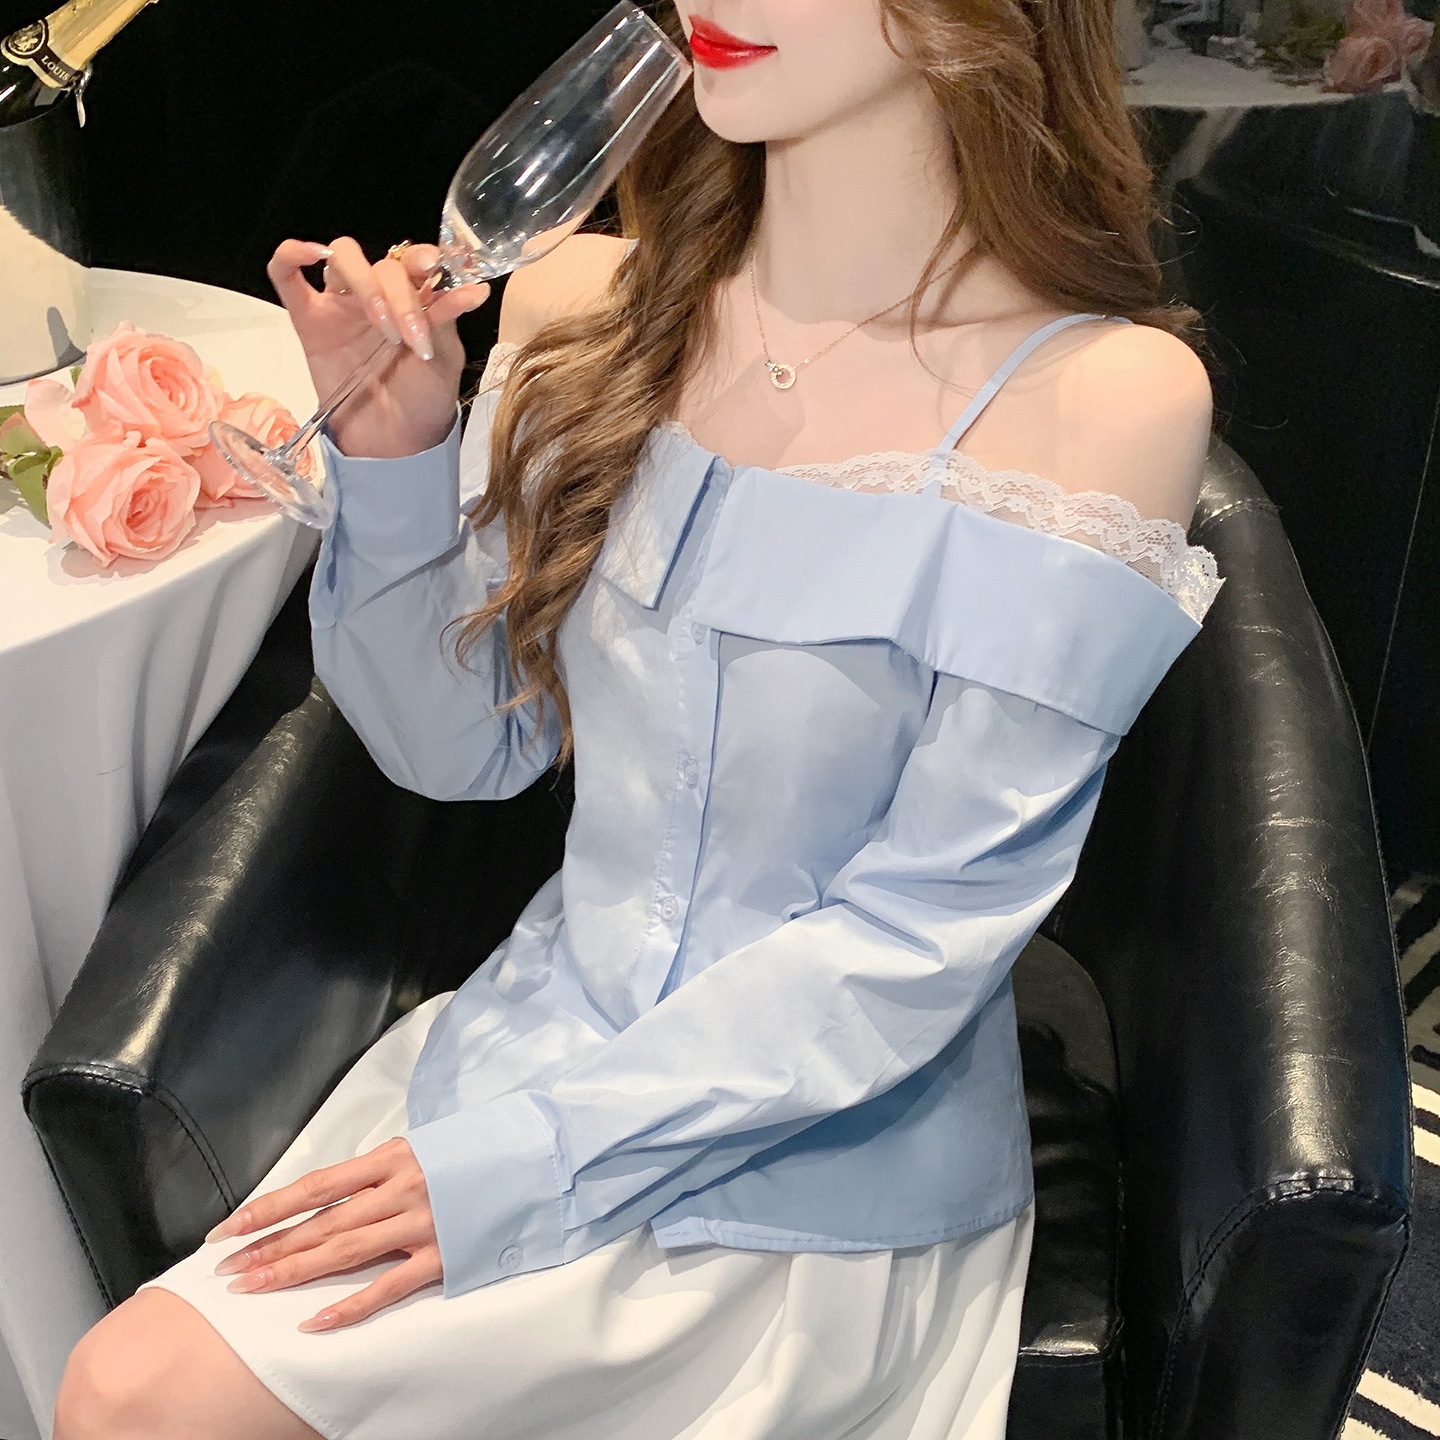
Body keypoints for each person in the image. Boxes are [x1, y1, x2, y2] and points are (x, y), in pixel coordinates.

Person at [53, 2, 1223, 1436]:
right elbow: (459, 745)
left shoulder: (1099, 401)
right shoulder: (588, 304)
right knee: (128, 1388)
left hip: (815, 1171)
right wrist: (395, 457)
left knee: (137, 1397)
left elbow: (922, 934)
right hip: (535, 1042)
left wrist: (530, 1163)